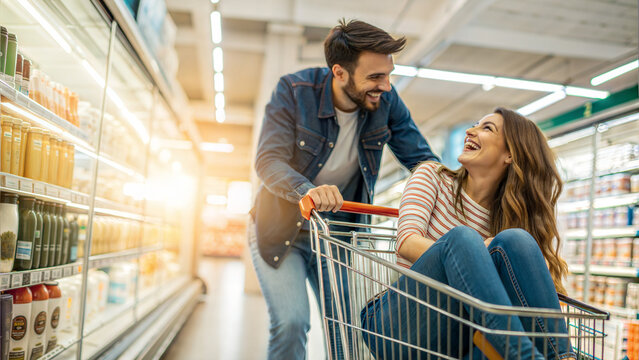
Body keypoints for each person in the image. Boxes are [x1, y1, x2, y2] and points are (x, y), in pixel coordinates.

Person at [249, 19, 440, 359]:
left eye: (388, 74)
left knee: (347, 330)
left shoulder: (388, 102)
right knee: (292, 323)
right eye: (375, 77)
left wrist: (458, 189)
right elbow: (268, 161)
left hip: (337, 237)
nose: (386, 86)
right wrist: (307, 190)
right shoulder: (294, 91)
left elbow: (422, 160)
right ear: (339, 73)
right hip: (280, 232)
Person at [360, 108, 572, 359]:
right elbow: (406, 241)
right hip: (398, 325)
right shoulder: (432, 177)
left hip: (455, 338)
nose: (471, 131)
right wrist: (476, 252)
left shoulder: (506, 223)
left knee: (517, 239)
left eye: (487, 128)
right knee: (462, 238)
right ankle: (525, 356)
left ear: (510, 155)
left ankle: (563, 356)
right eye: (475, 124)